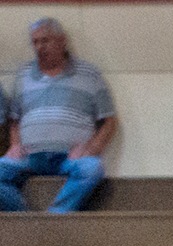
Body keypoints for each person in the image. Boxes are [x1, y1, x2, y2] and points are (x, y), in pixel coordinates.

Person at [0, 18, 115, 213]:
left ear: (62, 41)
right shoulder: (23, 74)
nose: (39, 47)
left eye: (45, 41)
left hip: (70, 156)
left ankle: (55, 216)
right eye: (35, 42)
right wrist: (15, 144)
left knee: (92, 168)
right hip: (30, 155)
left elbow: (109, 121)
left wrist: (92, 148)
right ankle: (28, 223)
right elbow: (14, 119)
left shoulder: (89, 75)